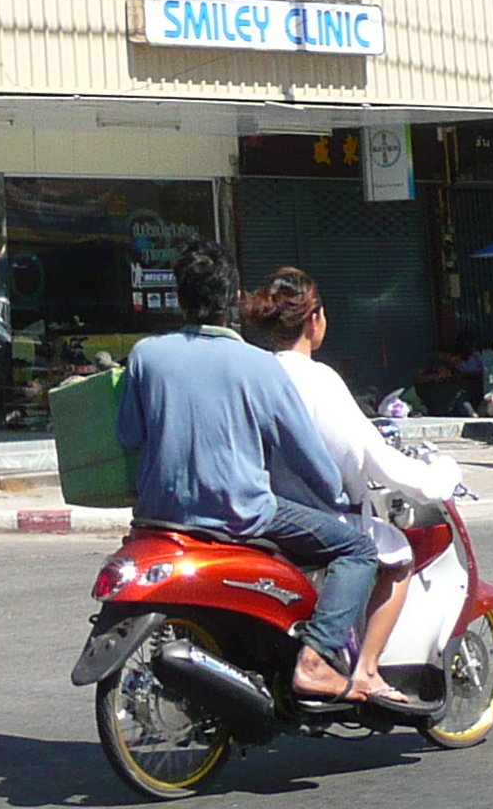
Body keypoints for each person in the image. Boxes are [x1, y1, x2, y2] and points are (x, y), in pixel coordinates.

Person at [116, 238, 383, 704]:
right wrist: (336, 495)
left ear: (181, 298)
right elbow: (310, 460)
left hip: (159, 516)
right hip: (241, 514)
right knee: (359, 550)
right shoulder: (258, 366)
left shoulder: (146, 356)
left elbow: (128, 436)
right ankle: (317, 659)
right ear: (233, 299)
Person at [242, 269, 462, 710]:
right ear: (314, 320)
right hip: (313, 517)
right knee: (395, 554)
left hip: (256, 511)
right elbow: (369, 456)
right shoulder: (319, 379)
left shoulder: (252, 372)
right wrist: (438, 479)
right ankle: (366, 670)